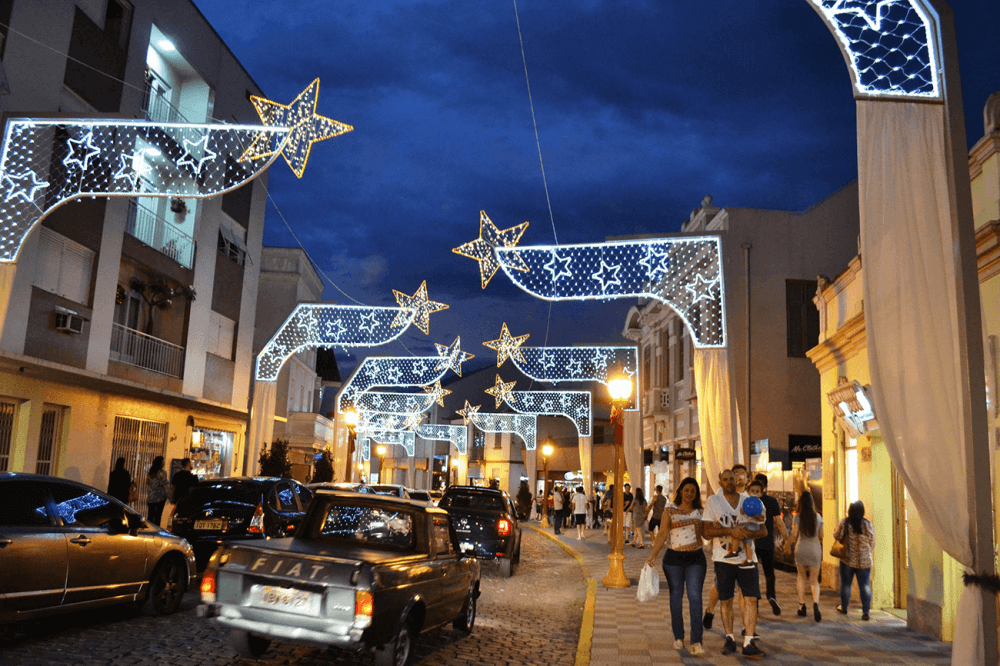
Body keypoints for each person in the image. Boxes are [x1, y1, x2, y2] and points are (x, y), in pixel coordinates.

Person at [702, 469, 766, 658]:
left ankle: (748, 642)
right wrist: (730, 532)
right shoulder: (714, 502)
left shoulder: (748, 499)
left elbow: (763, 531)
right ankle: (729, 638)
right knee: (726, 600)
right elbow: (706, 532)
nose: (730, 482)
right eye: (725, 479)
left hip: (748, 559)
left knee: (751, 599)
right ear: (720, 482)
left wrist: (744, 534)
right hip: (723, 559)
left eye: (732, 479)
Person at [647, 477, 706, 655]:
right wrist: (652, 556)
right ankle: (678, 637)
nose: (689, 494)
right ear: (680, 491)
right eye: (686, 490)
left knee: (695, 597)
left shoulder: (700, 511)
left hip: (696, 558)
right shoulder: (670, 510)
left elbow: (708, 532)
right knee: (676, 596)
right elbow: (663, 533)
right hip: (673, 559)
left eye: (693, 491)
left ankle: (696, 641)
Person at [752, 473, 788, 615]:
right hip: (767, 542)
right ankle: (771, 596)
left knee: (753, 573)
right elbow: (779, 522)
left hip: (752, 543)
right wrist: (786, 539)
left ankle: (754, 602)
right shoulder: (772, 501)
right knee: (769, 573)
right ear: (766, 486)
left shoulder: (749, 501)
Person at [833, 500, 876, 620]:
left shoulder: (844, 523)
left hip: (848, 560)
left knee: (846, 584)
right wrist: (866, 552)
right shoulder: (867, 524)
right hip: (864, 561)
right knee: (865, 585)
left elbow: (836, 535)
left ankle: (844, 607)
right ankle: (866, 611)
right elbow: (872, 541)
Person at [786, 491, 823, 622]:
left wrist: (787, 544)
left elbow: (794, 534)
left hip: (801, 548)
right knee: (814, 580)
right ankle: (816, 604)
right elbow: (821, 535)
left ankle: (802, 606)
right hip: (815, 549)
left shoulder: (797, 517)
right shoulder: (818, 517)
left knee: (801, 577)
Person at [723, 495, 764, 565]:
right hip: (754, 527)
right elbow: (761, 518)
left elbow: (761, 518)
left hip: (747, 525)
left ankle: (734, 552)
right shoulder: (758, 507)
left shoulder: (749, 508)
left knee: (736, 534)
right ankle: (749, 560)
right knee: (748, 543)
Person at [146, 456, 169, 526]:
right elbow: (165, 484)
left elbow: (147, 483)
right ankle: (156, 532)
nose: (164, 463)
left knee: (150, 516)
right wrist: (170, 495)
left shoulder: (150, 472)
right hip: (160, 497)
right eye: (163, 462)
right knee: (158, 516)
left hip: (151, 497)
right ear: (160, 463)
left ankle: (149, 529)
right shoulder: (162, 472)